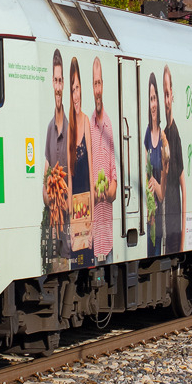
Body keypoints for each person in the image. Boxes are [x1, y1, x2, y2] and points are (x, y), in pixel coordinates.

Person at [42, 50, 69, 263]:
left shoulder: (74, 130)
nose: (58, 87)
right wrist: (50, 199)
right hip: (55, 227)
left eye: (61, 81)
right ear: (52, 82)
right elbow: (46, 173)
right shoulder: (50, 128)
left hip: (73, 229)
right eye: (56, 80)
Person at [90, 58, 118, 263]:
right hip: (89, 237)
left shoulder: (108, 124)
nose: (97, 88)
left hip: (107, 238)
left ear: (103, 85)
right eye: (94, 83)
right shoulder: (86, 125)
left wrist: (107, 192)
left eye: (99, 83)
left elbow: (114, 178)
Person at [68, 58, 93, 264]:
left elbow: (92, 171)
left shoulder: (86, 121)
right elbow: (68, 177)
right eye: (72, 90)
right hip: (74, 215)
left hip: (86, 213)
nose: (76, 95)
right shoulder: (68, 127)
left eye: (78, 88)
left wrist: (93, 220)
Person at [162, 65, 186, 253]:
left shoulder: (175, 135)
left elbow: (183, 190)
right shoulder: (162, 134)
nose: (166, 100)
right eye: (164, 94)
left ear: (173, 96)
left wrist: (184, 242)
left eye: (168, 94)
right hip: (165, 225)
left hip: (175, 227)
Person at [144, 75, 166, 256]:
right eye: (150, 99)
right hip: (149, 218)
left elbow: (163, 192)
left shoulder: (164, 138)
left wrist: (156, 185)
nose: (153, 104)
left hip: (162, 220)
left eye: (155, 98)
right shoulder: (146, 135)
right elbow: (143, 170)